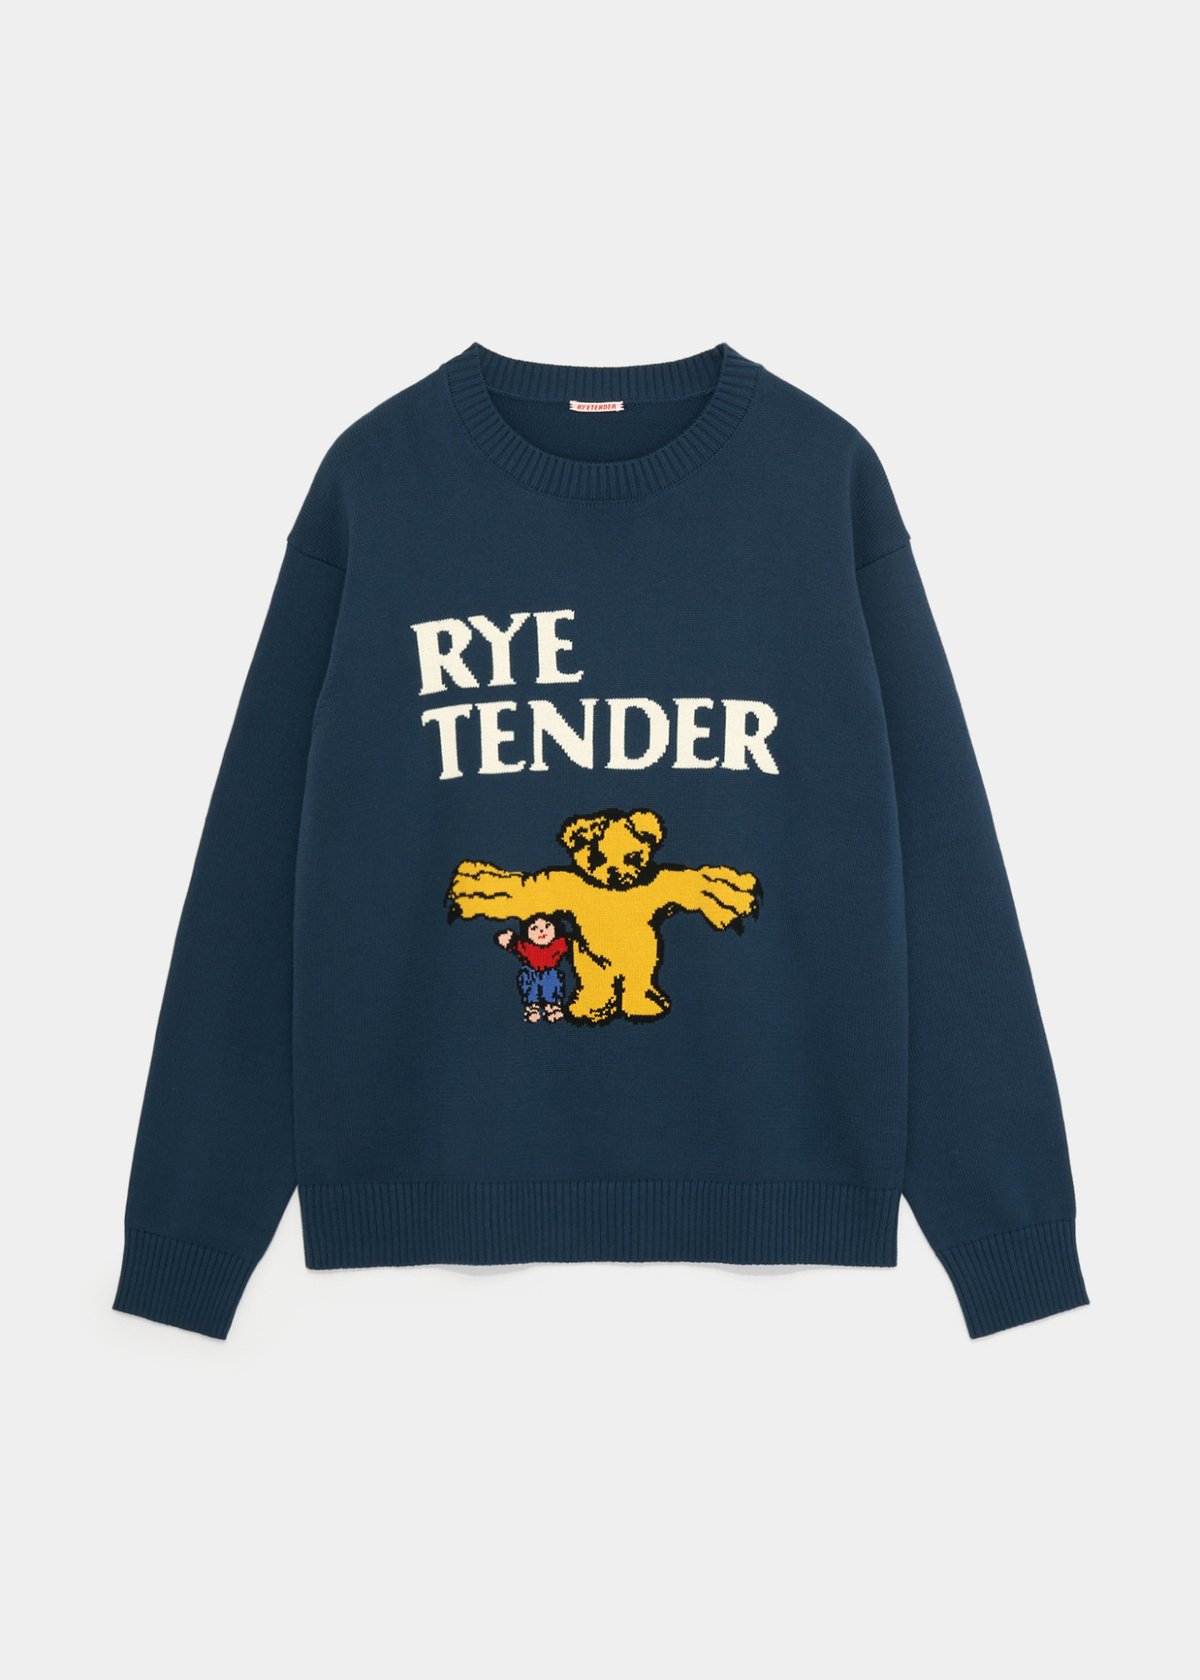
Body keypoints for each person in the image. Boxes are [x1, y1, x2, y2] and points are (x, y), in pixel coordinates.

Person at [495, 914, 570, 1023]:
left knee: (553, 978)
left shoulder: (559, 944)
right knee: (528, 977)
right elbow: (516, 946)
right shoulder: (526, 947)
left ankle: (552, 1005)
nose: (541, 931)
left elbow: (570, 943)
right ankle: (532, 1006)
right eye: (534, 928)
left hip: (550, 972)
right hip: (532, 973)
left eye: (547, 926)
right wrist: (508, 940)